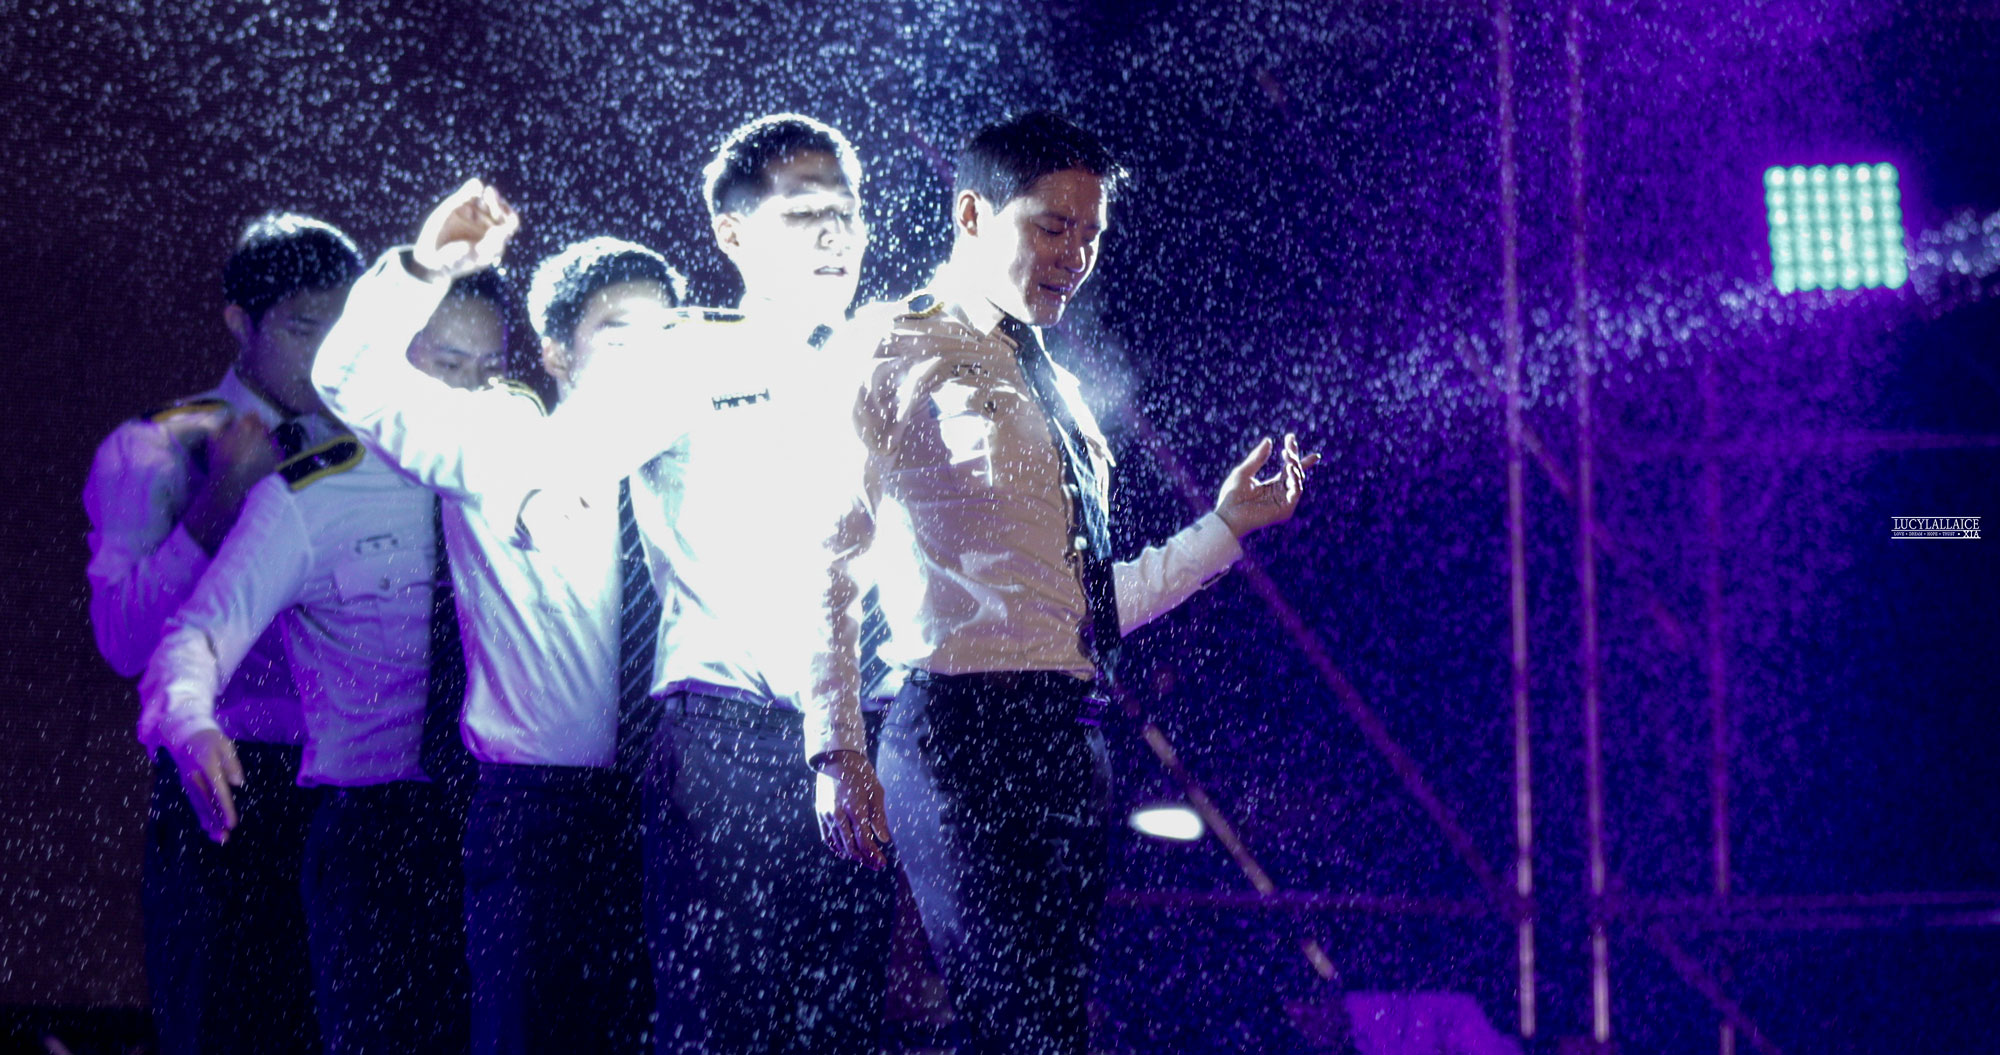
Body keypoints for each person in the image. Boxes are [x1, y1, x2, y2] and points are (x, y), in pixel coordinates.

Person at [812, 111, 1319, 1055]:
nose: (1075, 255)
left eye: (1090, 234)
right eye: (1052, 227)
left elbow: (1090, 608)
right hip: (959, 734)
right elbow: (827, 559)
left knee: (1050, 1028)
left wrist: (1224, 528)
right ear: (973, 215)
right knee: (1017, 1026)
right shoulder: (894, 345)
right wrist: (836, 747)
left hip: (1070, 735)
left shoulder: (1064, 390)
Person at [311, 207, 678, 1055]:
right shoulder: (502, 439)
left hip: (674, 804)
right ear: (556, 353)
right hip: (538, 813)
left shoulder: (694, 457)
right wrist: (422, 268)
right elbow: (349, 375)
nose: (644, 356)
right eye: (617, 333)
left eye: (663, 336)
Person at [136, 273, 509, 1055]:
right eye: (448, 364)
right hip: (377, 833)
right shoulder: (315, 496)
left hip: (500, 820)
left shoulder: (517, 479)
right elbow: (194, 635)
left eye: (488, 369)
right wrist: (192, 724)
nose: (468, 392)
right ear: (393, 358)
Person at [616, 113, 896, 1055]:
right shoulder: (679, 354)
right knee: (719, 1023)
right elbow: (550, 464)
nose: (836, 234)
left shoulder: (883, 362)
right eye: (806, 211)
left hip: (861, 738)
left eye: (849, 212)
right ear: (732, 233)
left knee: (842, 1025)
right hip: (725, 741)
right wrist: (539, 493)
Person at [84, 212, 363, 1055]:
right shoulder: (154, 447)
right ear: (241, 323)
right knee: (223, 1028)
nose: (329, 354)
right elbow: (122, 642)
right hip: (226, 782)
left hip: (357, 787)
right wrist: (216, 507)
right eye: (304, 327)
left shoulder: (379, 447)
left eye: (345, 328)